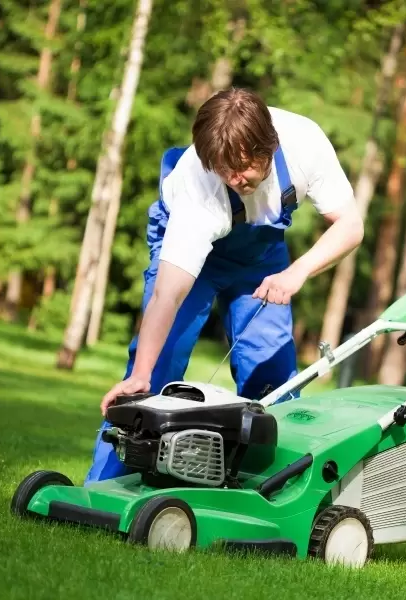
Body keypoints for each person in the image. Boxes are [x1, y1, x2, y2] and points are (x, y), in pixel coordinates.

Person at [84, 87, 364, 484]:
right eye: (223, 168)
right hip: (192, 251)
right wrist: (141, 373)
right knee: (154, 374)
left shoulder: (305, 143)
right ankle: (105, 487)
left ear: (269, 146)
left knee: (274, 380)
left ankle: (268, 492)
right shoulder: (199, 191)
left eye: (243, 167)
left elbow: (351, 226)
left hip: (260, 257)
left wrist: (295, 274)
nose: (234, 178)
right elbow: (169, 293)